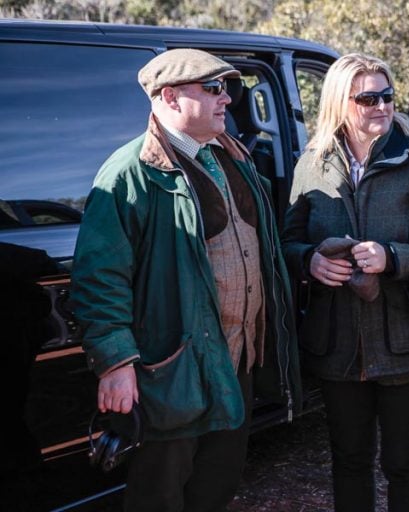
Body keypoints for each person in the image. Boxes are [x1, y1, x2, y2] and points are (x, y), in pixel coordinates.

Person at [70, 48, 300, 512]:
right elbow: (99, 279)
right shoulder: (128, 174)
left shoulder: (231, 158)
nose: (227, 101)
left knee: (216, 486)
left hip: (235, 362)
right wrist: (115, 363)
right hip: (172, 370)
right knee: (160, 494)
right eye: (213, 89)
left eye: (227, 90)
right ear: (170, 97)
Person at [281, 53, 409, 512]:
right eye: (368, 98)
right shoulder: (312, 164)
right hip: (338, 344)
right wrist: (311, 263)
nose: (382, 106)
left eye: (387, 96)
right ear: (341, 102)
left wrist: (392, 257)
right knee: (349, 460)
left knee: (406, 464)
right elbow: (288, 242)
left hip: (407, 343)